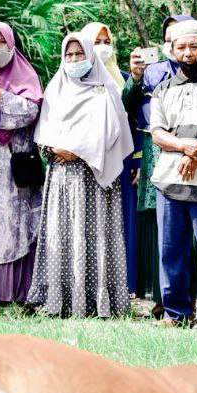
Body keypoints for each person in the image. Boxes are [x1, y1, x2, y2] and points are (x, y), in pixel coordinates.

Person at [125, 16, 197, 312]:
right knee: (171, 249)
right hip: (170, 180)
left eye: (193, 46)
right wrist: (186, 148)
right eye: (181, 47)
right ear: (172, 51)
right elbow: (158, 133)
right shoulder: (163, 88)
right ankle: (177, 312)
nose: (187, 53)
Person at [28, 34, 134, 317]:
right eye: (69, 55)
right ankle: (60, 300)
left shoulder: (105, 90)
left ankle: (99, 302)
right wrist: (54, 150)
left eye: (80, 54)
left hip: (94, 176)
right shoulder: (56, 89)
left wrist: (78, 151)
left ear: (91, 56)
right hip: (62, 177)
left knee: (95, 235)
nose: (74, 60)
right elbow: (43, 132)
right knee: (63, 235)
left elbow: (114, 133)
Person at [0, 22, 44, 304]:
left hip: (17, 160)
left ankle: (19, 289)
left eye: (3, 42)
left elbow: (30, 112)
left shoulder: (26, 74)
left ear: (13, 44)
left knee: (16, 221)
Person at [83, 22, 141, 295]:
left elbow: (138, 119)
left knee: (123, 218)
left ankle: (124, 283)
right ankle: (92, 280)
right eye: (97, 41)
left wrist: (139, 160)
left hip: (124, 157)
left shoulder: (126, 78)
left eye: (107, 41)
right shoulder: (78, 79)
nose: (103, 47)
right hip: (89, 158)